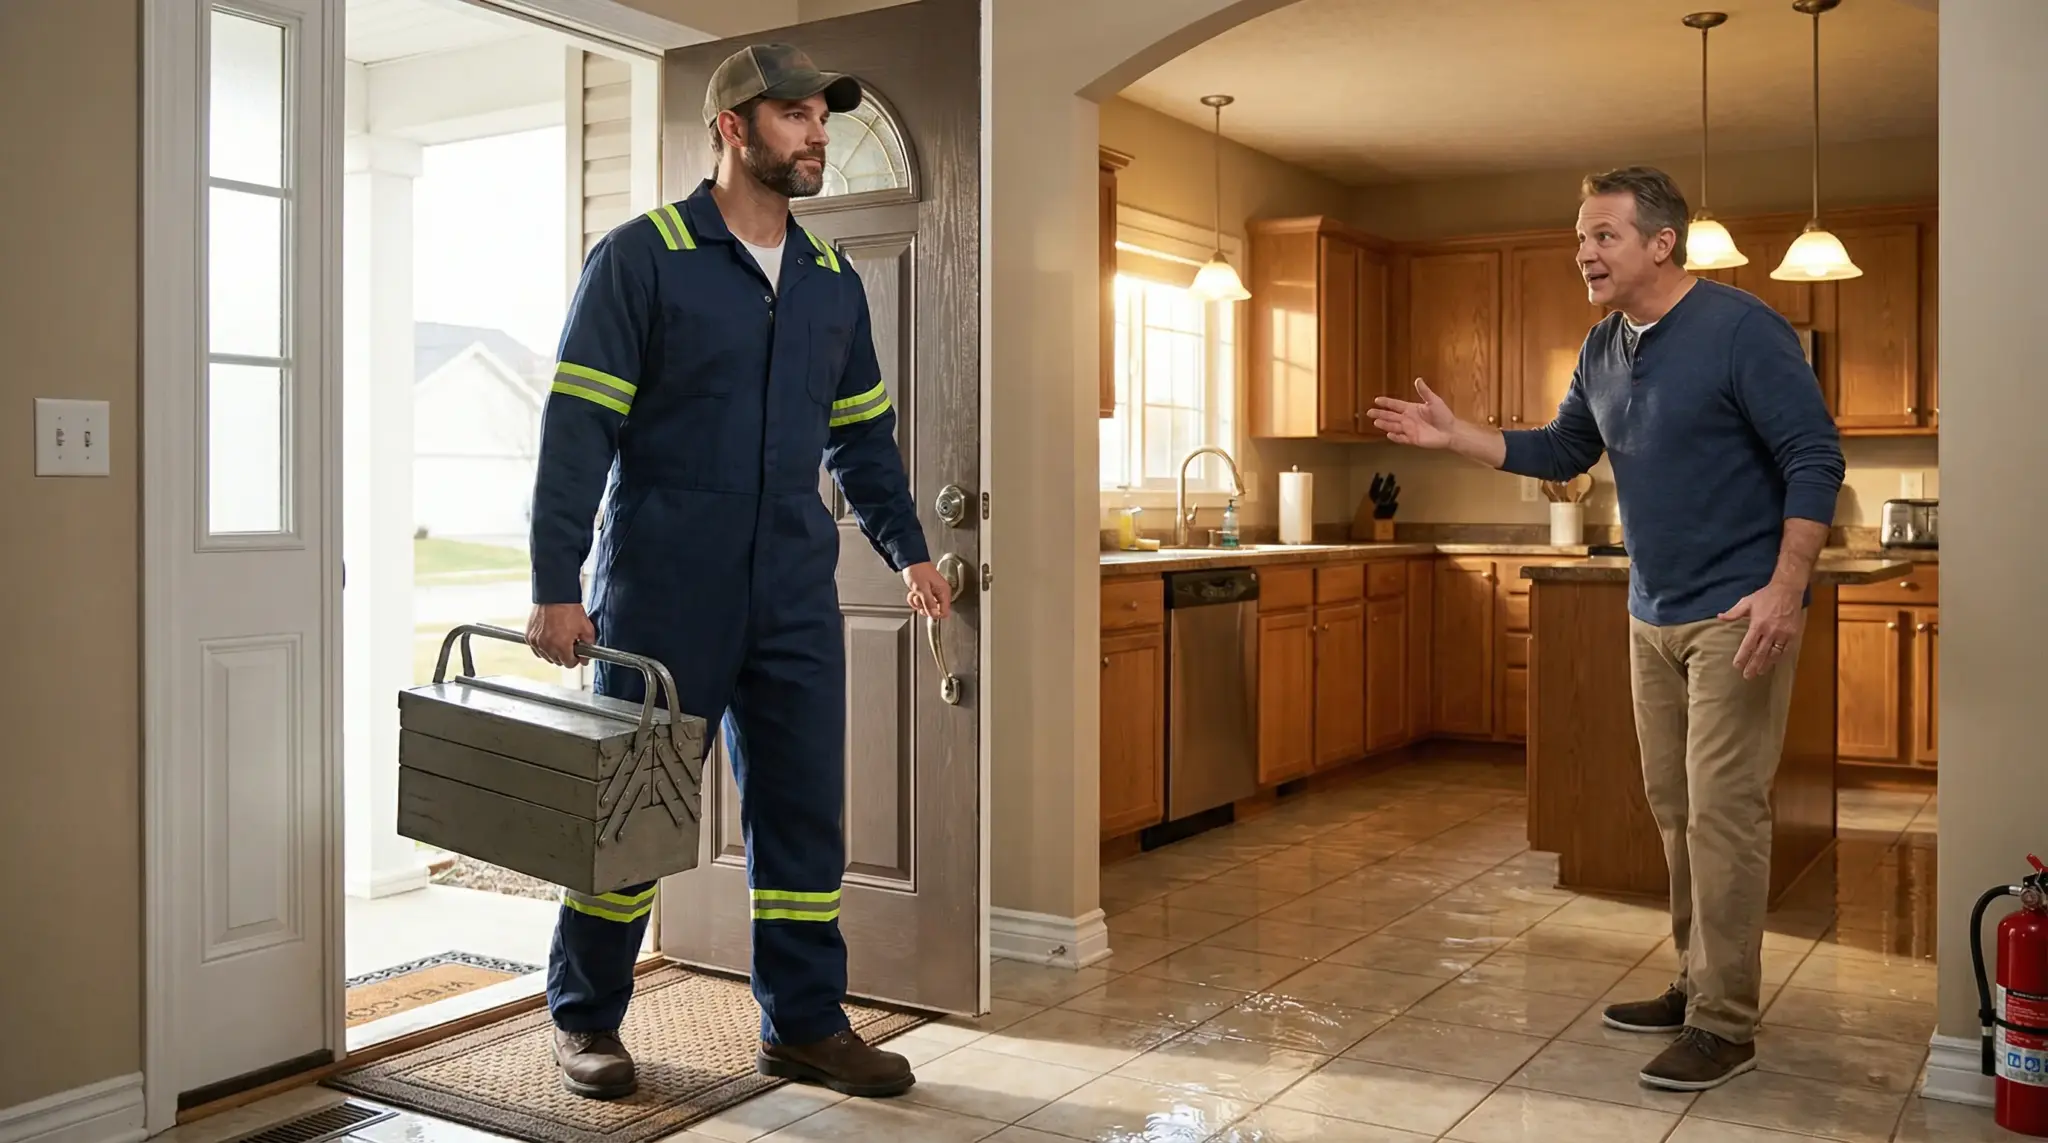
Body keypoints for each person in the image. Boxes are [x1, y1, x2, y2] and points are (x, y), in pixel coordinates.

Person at [521, 42, 952, 1102]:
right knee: (631, 813)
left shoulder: (828, 278)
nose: (816, 135)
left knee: (804, 815)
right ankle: (586, 1022)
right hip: (663, 588)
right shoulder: (642, 257)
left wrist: (908, 549)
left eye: (819, 116)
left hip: (794, 591)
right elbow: (576, 428)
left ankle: (803, 1025)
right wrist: (553, 580)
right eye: (795, 115)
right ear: (732, 128)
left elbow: (862, 438)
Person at [1368, 165, 1844, 1092]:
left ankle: (1726, 1021)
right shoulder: (1603, 347)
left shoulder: (1742, 330)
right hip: (1651, 611)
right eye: (1581, 236)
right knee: (1675, 809)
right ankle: (1692, 978)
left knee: (1725, 815)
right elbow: (1562, 448)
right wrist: (1456, 434)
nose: (1584, 251)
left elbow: (1813, 454)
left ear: (1661, 242)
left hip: (1736, 613)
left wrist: (1787, 585)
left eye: (1603, 235)